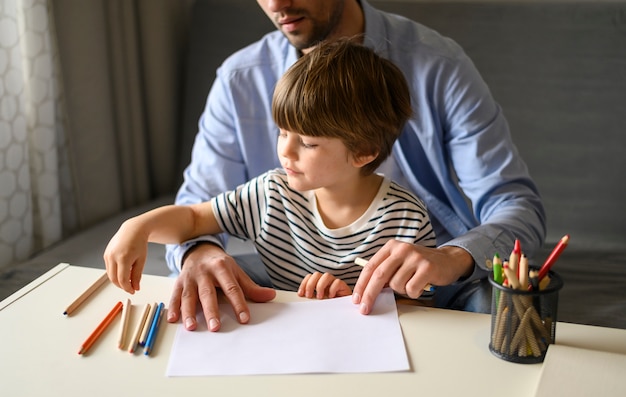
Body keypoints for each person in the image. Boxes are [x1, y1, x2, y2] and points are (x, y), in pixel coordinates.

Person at [165, 0, 546, 330]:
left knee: (494, 308)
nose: (277, 4)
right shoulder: (239, 80)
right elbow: (198, 206)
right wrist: (200, 253)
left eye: (309, 142)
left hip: (427, 276)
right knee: (209, 281)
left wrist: (451, 257)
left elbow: (516, 209)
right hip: (299, 269)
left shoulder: (438, 65)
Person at [104, 40, 437, 332]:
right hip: (282, 343)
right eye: (282, 132)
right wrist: (139, 227)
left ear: (363, 152)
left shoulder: (405, 219)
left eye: (307, 143)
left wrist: (349, 303)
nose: (285, 151)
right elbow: (192, 219)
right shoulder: (271, 194)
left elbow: (423, 313)